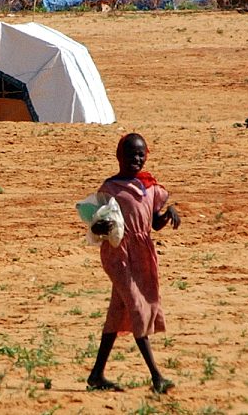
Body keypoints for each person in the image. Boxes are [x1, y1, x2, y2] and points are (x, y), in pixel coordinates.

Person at [87, 134, 181, 395]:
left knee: (117, 314)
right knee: (138, 310)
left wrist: (168, 213)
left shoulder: (149, 188)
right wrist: (98, 225)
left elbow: (154, 223)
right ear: (120, 157)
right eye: (131, 155)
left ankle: (97, 374)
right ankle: (156, 376)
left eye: (141, 155)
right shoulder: (110, 189)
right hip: (118, 254)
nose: (136, 160)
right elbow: (95, 223)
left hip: (142, 254)